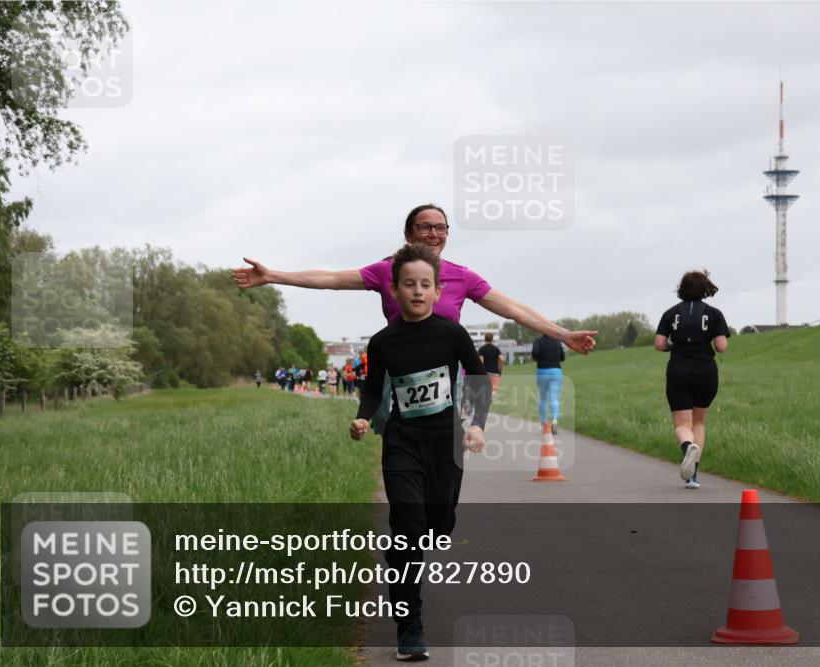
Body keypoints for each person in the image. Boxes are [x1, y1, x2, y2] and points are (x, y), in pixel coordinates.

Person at [233, 204, 597, 432]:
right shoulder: (385, 271)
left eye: (441, 228)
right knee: (391, 430)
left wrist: (562, 334)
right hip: (398, 368)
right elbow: (330, 279)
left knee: (442, 435)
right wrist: (274, 275)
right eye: (425, 227)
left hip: (446, 372)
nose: (434, 234)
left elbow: (511, 308)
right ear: (408, 234)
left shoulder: (461, 275)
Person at [350, 243, 492, 661]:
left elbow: (480, 381)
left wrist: (478, 425)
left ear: (435, 292)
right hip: (402, 442)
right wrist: (363, 418)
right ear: (394, 291)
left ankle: (434, 526)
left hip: (445, 441)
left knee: (437, 524)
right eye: (408, 284)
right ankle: (409, 627)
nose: (416, 291)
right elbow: (374, 390)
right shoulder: (383, 342)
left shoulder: (452, 334)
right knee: (407, 529)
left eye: (424, 285)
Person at [654, 270, 729, 490]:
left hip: (678, 370)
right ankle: (693, 475)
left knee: (682, 424)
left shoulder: (670, 314)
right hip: (706, 371)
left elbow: (659, 344)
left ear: (681, 289)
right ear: (704, 288)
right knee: (698, 422)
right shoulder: (714, 314)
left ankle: (687, 448)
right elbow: (721, 347)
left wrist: (673, 346)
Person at [532, 334, 565, 434]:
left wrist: (539, 358)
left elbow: (535, 353)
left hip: (542, 371)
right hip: (556, 371)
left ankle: (544, 422)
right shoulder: (557, 341)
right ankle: (554, 420)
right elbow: (562, 357)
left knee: (543, 398)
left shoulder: (538, 341)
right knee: (554, 398)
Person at [477, 332, 504, 399]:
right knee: (494, 390)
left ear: (485, 339)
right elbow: (502, 359)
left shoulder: (482, 349)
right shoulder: (496, 349)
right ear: (492, 339)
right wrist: (500, 368)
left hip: (485, 372)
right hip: (495, 372)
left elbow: (481, 361)